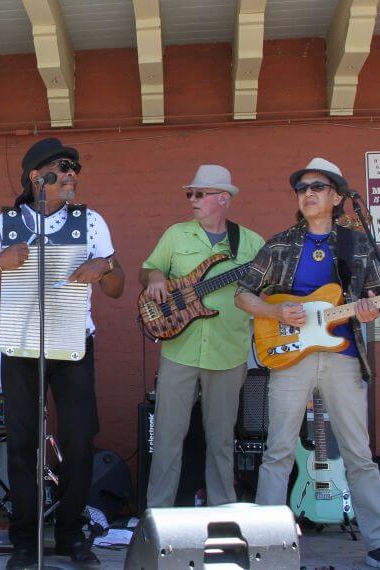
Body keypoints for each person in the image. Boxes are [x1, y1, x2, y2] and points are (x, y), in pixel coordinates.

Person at [0, 138, 125, 568]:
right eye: (63, 167)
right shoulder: (5, 223)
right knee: (22, 443)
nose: (72, 174)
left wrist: (106, 267)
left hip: (72, 344)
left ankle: (72, 535)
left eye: (75, 168)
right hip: (20, 345)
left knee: (78, 439)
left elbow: (117, 287)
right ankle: (25, 540)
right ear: (37, 177)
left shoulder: (90, 221)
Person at [234, 158, 380, 569]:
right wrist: (275, 312)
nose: (308, 193)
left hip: (343, 355)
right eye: (302, 188)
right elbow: (243, 294)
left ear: (338, 197)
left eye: (318, 187)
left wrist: (369, 308)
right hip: (291, 355)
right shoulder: (280, 244)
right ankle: (267, 544)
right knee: (278, 450)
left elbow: (377, 294)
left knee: (358, 452)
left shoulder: (357, 244)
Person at [140, 165, 263, 509]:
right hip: (179, 348)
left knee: (221, 439)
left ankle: (222, 511)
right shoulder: (176, 234)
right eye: (190, 194)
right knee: (167, 436)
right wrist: (154, 277)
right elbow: (147, 269)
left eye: (199, 194)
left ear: (223, 198)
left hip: (228, 351)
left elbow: (267, 289)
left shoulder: (251, 243)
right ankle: (157, 514)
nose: (192, 199)